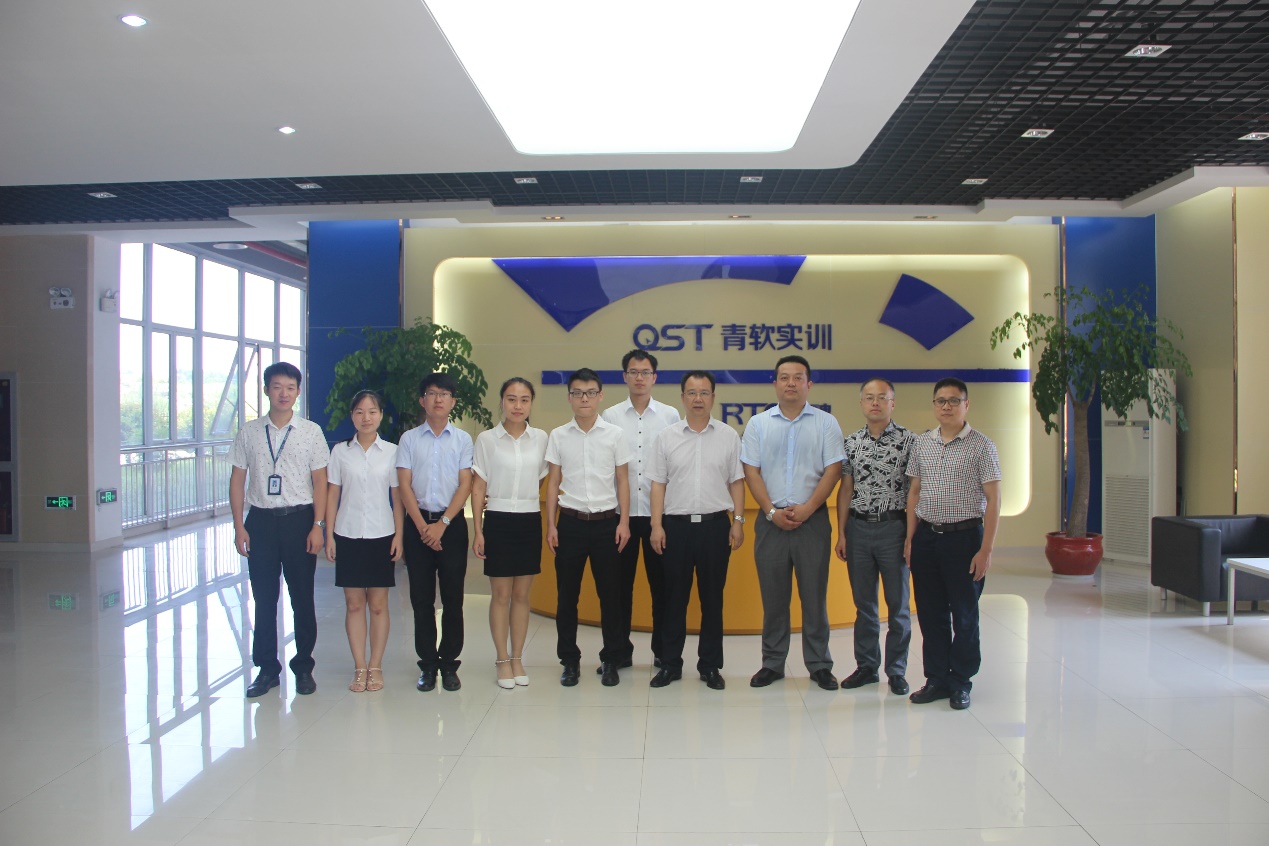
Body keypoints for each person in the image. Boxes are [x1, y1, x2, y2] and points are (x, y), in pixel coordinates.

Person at [741, 355, 844, 690]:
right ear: (774, 384)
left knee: (814, 597)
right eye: (784, 377)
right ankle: (772, 663)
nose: (790, 383)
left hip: (812, 522)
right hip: (770, 523)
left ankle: (819, 665)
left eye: (798, 377)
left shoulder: (826, 423)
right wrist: (771, 511)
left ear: (808, 384)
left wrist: (809, 508)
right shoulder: (758, 424)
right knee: (774, 599)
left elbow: (833, 470)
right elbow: (751, 471)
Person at [229, 361, 329, 697]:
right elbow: (237, 480)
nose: (283, 393)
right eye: (276, 387)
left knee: (302, 597)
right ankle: (267, 669)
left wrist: (318, 525)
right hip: (260, 522)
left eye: (289, 387)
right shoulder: (249, 432)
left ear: (298, 392)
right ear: (266, 390)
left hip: (299, 520)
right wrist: (239, 526)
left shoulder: (311, 432)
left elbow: (321, 481)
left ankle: (303, 667)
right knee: (264, 598)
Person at [904, 377, 1002, 711]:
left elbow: (994, 499)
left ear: (966, 405)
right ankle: (936, 678)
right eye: (941, 401)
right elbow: (914, 492)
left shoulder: (982, 446)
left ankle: (961, 680)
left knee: (964, 613)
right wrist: (910, 539)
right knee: (930, 614)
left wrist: (986, 550)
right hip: (927, 538)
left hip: (965, 539)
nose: (947, 406)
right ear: (934, 405)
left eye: (954, 401)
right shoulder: (922, 443)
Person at [648, 371, 745, 690]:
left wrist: (738, 521)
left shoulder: (728, 436)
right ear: (682, 398)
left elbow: (736, 482)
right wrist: (656, 525)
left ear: (713, 397)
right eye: (691, 393)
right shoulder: (667, 437)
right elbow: (658, 484)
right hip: (675, 529)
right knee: (673, 599)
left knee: (712, 600)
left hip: (715, 528)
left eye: (704, 393)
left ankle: (710, 666)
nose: (698, 399)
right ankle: (670, 664)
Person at [545, 368, 632, 687]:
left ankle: (611, 659)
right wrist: (551, 524)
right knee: (567, 597)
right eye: (578, 393)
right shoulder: (558, 435)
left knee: (611, 597)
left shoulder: (615, 434)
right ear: (569, 397)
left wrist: (624, 521)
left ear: (600, 396)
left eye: (590, 392)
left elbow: (622, 479)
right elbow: (553, 481)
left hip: (607, 525)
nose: (584, 398)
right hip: (569, 524)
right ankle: (569, 661)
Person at [834, 378, 915, 696]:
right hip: (858, 529)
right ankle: (867, 667)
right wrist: (842, 533)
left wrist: (910, 537)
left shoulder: (909, 441)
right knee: (864, 604)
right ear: (861, 404)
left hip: (893, 528)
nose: (875, 403)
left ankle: (896, 670)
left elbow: (915, 492)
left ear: (892, 403)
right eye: (869, 398)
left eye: (882, 397)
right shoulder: (851, 442)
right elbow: (846, 489)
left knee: (898, 605)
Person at [601, 349, 681, 671]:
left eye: (645, 372)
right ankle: (618, 652)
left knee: (662, 588)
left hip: (657, 516)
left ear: (654, 377)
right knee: (618, 589)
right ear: (625, 377)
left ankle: (662, 652)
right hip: (620, 517)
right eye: (633, 372)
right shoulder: (610, 416)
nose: (639, 378)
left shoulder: (670, 416)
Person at [396, 373, 474, 693]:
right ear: (422, 400)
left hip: (451, 526)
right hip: (418, 526)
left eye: (444, 394)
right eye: (432, 393)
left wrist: (441, 524)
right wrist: (422, 527)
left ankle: (450, 664)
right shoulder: (409, 439)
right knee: (421, 598)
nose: (438, 399)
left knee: (453, 598)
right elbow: (404, 485)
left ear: (453, 401)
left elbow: (465, 484)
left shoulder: (463, 440)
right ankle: (427, 665)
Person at [324, 390, 403, 694]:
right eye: (359, 412)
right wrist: (329, 535)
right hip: (347, 533)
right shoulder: (340, 452)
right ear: (352, 416)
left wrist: (399, 536)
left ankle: (376, 665)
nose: (366, 418)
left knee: (379, 605)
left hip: (381, 534)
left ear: (381, 415)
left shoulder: (392, 452)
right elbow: (333, 494)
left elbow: (397, 497)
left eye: (372, 411)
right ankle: (359, 666)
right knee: (354, 604)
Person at [471, 377, 548, 690]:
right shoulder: (487, 440)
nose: (518, 406)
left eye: (524, 400)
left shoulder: (541, 438)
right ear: (502, 401)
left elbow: (541, 479)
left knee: (521, 596)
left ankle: (518, 657)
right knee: (501, 595)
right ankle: (502, 658)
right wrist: (478, 530)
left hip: (529, 520)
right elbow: (479, 487)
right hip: (498, 520)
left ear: (531, 404)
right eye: (512, 399)